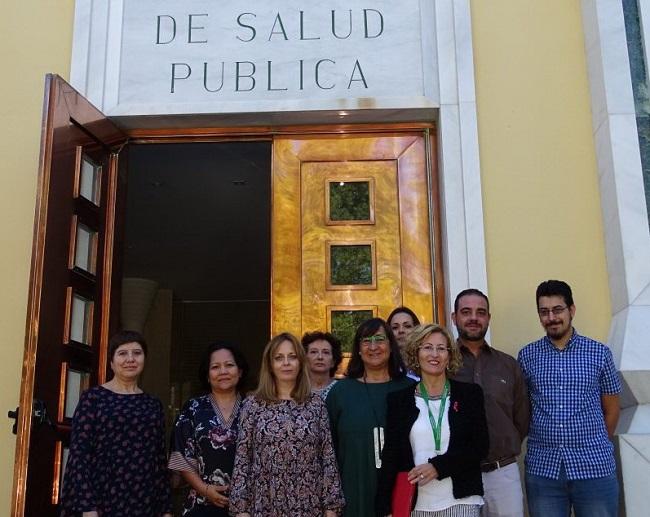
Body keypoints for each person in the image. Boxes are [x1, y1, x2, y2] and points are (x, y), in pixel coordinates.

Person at [517, 280, 621, 517]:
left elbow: (612, 409)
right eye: (544, 312)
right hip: (544, 471)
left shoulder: (599, 353)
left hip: (594, 468)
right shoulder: (527, 356)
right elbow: (523, 408)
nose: (551, 317)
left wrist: (595, 446)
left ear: (571, 310)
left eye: (558, 310)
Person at [377, 323, 489, 517]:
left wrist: (438, 466)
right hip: (416, 505)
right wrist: (384, 507)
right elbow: (391, 456)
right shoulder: (399, 400)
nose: (434, 354)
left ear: (449, 355)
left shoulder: (469, 395)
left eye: (441, 348)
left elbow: (479, 446)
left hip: (461, 502)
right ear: (416, 353)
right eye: (427, 347)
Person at [229, 332, 344, 517]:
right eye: (279, 358)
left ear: (301, 362)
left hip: (308, 503)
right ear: (270, 365)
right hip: (264, 502)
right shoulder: (252, 405)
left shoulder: (315, 404)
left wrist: (331, 508)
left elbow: (328, 458)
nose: (286, 363)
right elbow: (243, 460)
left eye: (292, 357)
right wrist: (241, 510)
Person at [60, 330, 172, 517]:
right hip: (101, 498)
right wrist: (87, 507)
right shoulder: (93, 399)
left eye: (137, 353)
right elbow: (79, 456)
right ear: (111, 362)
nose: (130, 359)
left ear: (145, 359)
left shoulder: (153, 404)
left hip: (144, 501)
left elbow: (159, 460)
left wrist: (166, 509)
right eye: (122, 353)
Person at [451, 288, 529, 517]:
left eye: (480, 312)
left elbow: (521, 418)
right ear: (454, 318)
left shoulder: (508, 365)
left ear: (488, 318)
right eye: (466, 312)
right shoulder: (443, 364)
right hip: (457, 474)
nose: (474, 318)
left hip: (502, 474)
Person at [327, 318, 413, 517]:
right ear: (358, 349)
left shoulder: (409, 389)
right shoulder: (341, 392)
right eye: (366, 341)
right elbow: (327, 452)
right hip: (353, 492)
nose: (373, 347)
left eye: (379, 339)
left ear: (391, 345)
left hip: (402, 492)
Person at [169, 341, 249, 516]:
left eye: (229, 365)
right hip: (201, 504)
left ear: (240, 371)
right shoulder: (193, 408)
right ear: (207, 375)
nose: (223, 372)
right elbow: (180, 456)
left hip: (247, 506)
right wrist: (204, 489)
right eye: (215, 367)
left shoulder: (253, 408)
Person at [302, 330, 343, 398]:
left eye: (326, 352)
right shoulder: (295, 389)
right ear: (305, 358)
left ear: (333, 361)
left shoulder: (342, 389)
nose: (320, 357)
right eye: (314, 352)